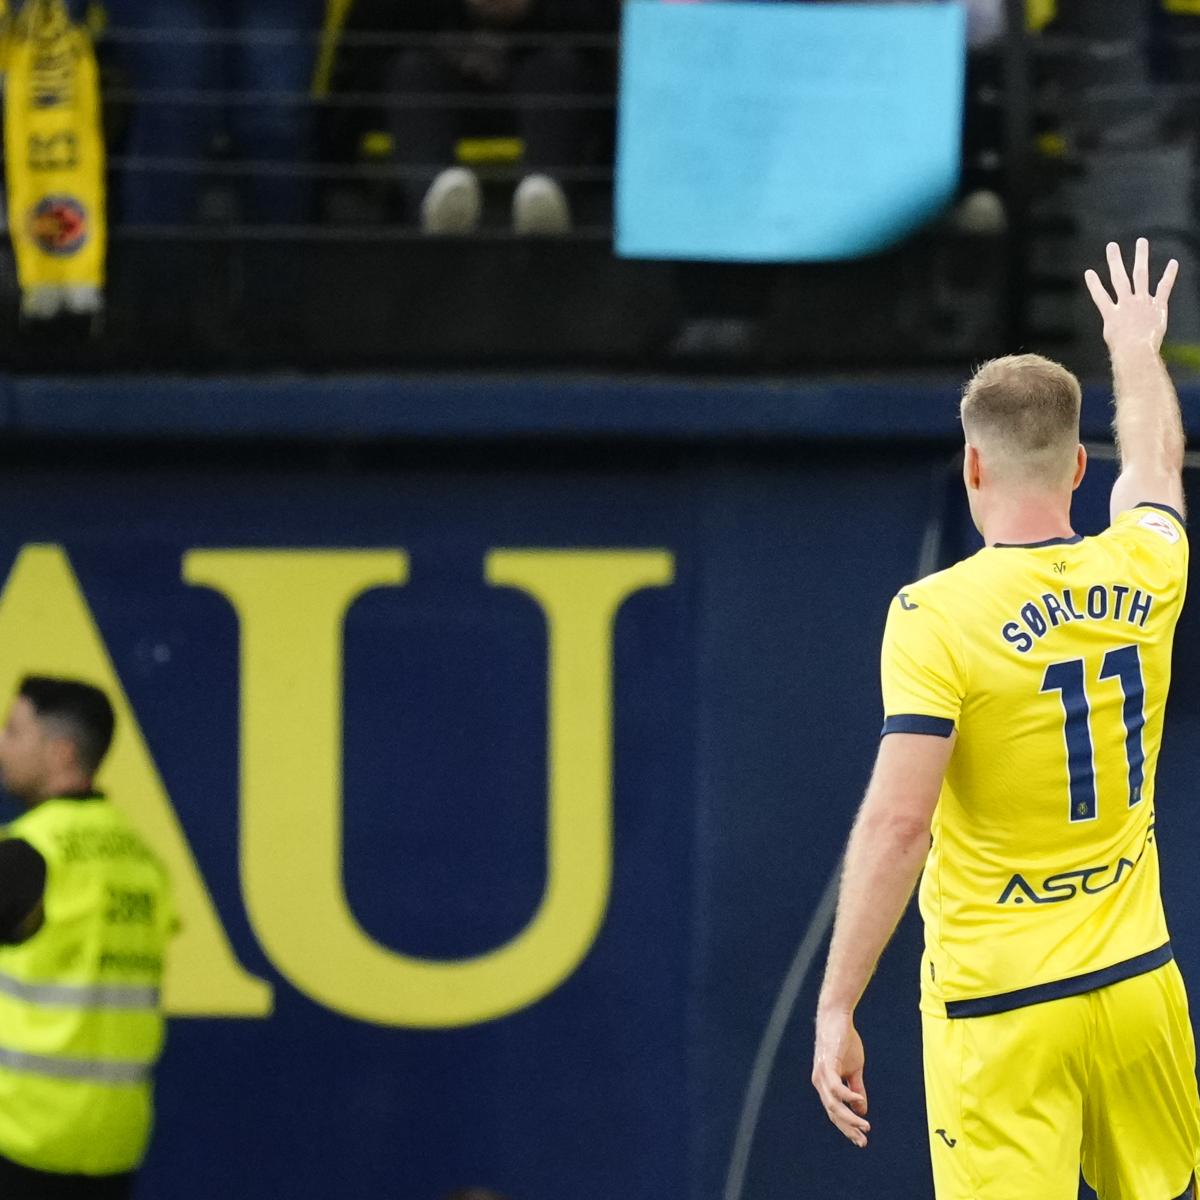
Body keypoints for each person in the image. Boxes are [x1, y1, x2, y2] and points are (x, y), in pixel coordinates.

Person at [812, 239, 1200, 1200]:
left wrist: (837, 1002)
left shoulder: (935, 615)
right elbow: (1155, 459)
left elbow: (901, 823)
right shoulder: (1145, 569)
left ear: (973, 470)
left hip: (1001, 1004)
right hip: (1137, 983)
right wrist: (1135, 345)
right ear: (1077, 465)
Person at [0, 677, 176, 1199]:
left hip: (21, 1137)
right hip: (111, 1146)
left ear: (61, 752)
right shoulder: (141, 859)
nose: (1, 745)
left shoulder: (28, 855)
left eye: (14, 731)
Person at [321, 0, 616, 234]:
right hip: (442, 85)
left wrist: (534, 8)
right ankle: (435, 199)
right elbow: (375, 27)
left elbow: (600, 29)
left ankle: (546, 197)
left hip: (535, 84)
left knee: (558, 68)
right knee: (410, 71)